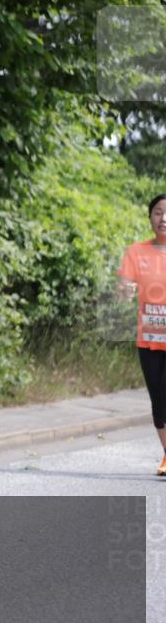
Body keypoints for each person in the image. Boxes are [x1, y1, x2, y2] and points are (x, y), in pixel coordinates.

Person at [117, 193, 166, 476]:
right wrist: (126, 289)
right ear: (150, 218)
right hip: (148, 341)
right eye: (158, 212)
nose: (163, 218)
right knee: (157, 402)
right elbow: (122, 288)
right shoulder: (136, 252)